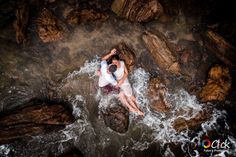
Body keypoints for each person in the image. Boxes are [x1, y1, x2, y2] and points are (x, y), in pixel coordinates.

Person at [98, 48, 144, 116]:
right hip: (118, 83)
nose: (114, 64)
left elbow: (126, 73)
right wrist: (99, 70)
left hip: (123, 81)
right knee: (122, 95)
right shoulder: (111, 69)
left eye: (115, 62)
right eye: (113, 62)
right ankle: (135, 109)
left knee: (129, 96)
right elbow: (103, 60)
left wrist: (122, 79)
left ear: (119, 60)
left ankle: (138, 107)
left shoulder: (122, 63)